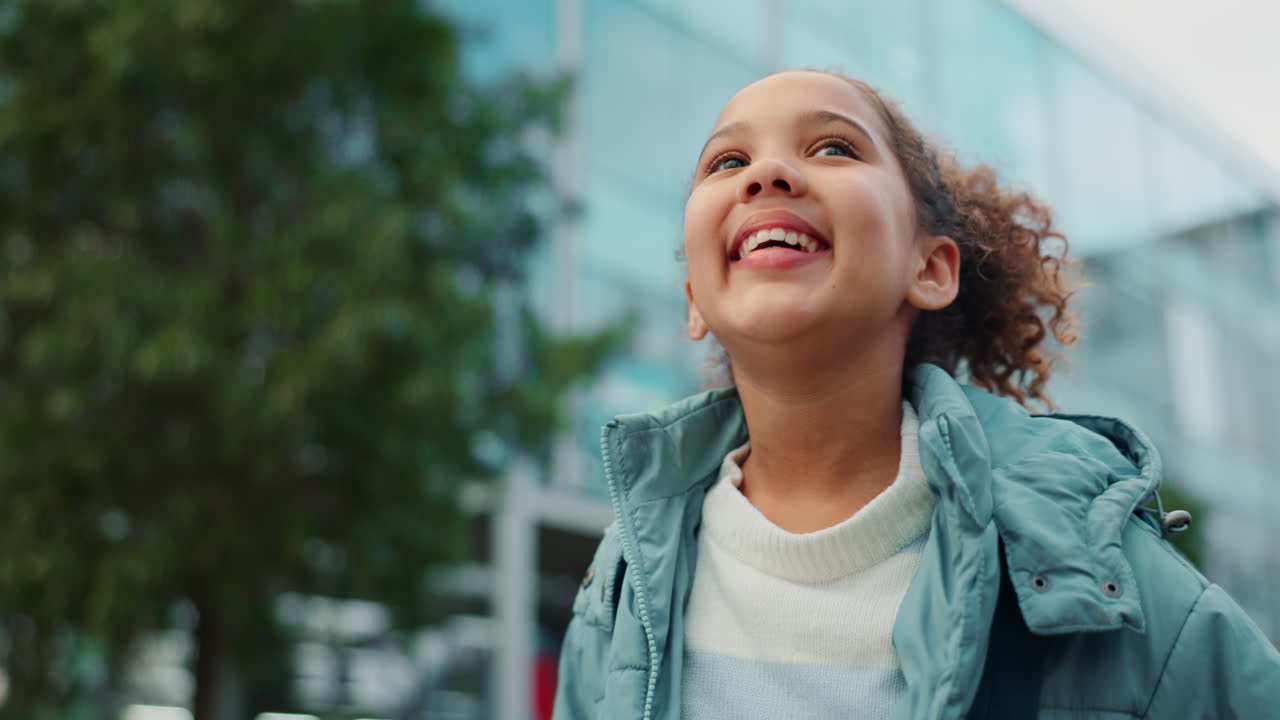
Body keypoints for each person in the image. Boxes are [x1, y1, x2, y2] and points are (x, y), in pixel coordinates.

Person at [551, 70, 1280, 719]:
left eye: (834, 148)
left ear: (930, 268)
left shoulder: (1093, 575)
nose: (766, 172)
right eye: (728, 160)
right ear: (694, 303)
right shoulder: (619, 589)